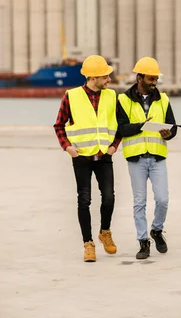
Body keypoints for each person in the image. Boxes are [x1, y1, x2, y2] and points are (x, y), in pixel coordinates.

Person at [53, 55, 121, 262]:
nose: (109, 79)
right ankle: (88, 243)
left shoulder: (111, 96)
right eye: (105, 76)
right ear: (93, 77)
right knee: (85, 200)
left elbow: (120, 124)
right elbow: (59, 125)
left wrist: (114, 146)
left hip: (104, 155)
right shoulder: (71, 96)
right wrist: (67, 147)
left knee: (108, 197)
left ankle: (105, 232)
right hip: (81, 156)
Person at [116, 57, 177, 260]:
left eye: (156, 79)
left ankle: (157, 230)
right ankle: (143, 242)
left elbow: (172, 126)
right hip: (136, 159)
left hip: (158, 157)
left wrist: (170, 133)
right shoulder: (123, 100)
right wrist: (141, 125)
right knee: (139, 202)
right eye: (151, 78)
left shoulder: (163, 99)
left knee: (163, 200)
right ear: (139, 77)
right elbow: (122, 129)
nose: (154, 82)